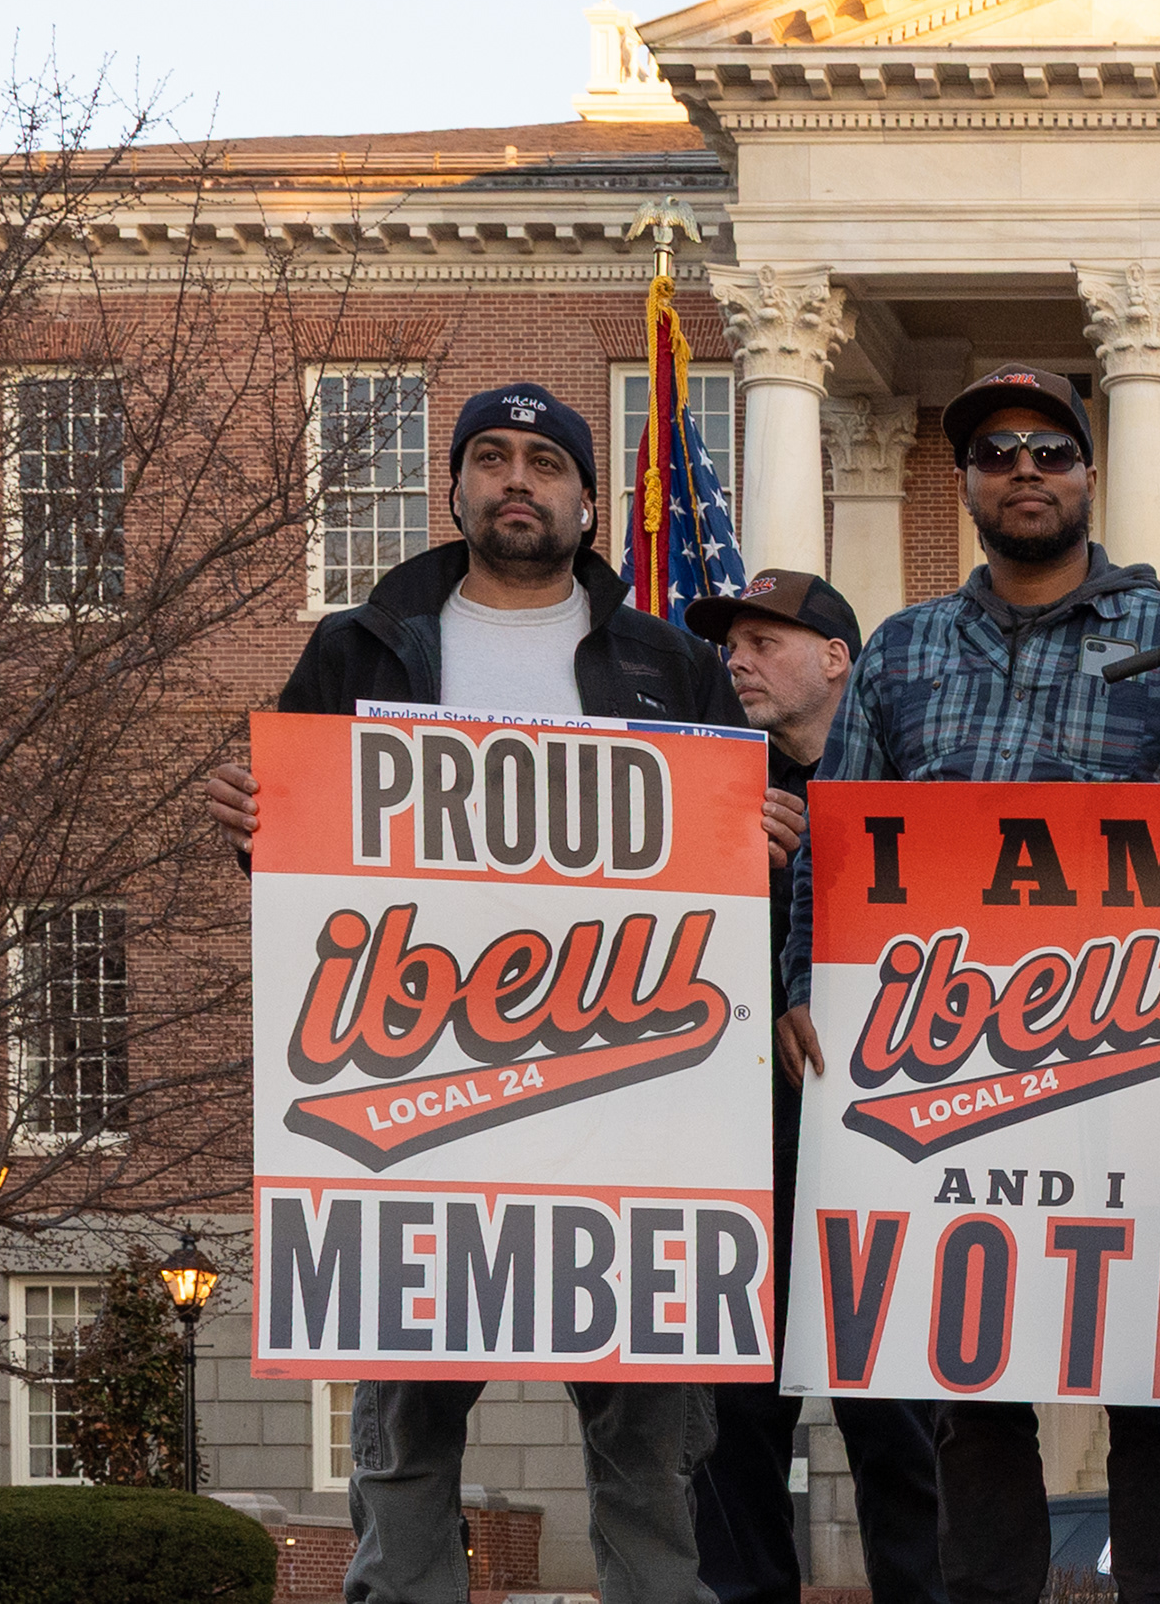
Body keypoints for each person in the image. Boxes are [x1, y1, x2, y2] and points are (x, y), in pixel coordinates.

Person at [778, 367, 1160, 1604]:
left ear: (1089, 473)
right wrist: (805, 982)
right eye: (995, 450)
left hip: (1140, 1069)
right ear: (965, 482)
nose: (1024, 467)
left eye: (1049, 447)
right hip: (945, 1071)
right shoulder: (904, 650)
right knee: (969, 1391)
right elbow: (834, 849)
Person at [204, 384, 743, 1604]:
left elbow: (729, 881)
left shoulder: (673, 662)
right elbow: (297, 862)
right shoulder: (360, 647)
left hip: (629, 1095)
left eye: (546, 460)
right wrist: (252, 822)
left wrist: (761, 837)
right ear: (453, 488)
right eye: (491, 456)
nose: (517, 478)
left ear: (588, 499)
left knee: (650, 1445)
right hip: (415, 1082)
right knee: (405, 1436)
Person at [681, 570, 944, 1604]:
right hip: (745, 1156)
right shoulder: (706, 791)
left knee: (899, 1420)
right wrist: (725, 858)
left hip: (890, 1152)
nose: (736, 660)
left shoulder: (918, 776)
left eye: (763, 641)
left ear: (837, 657)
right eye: (730, 645)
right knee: (734, 1425)